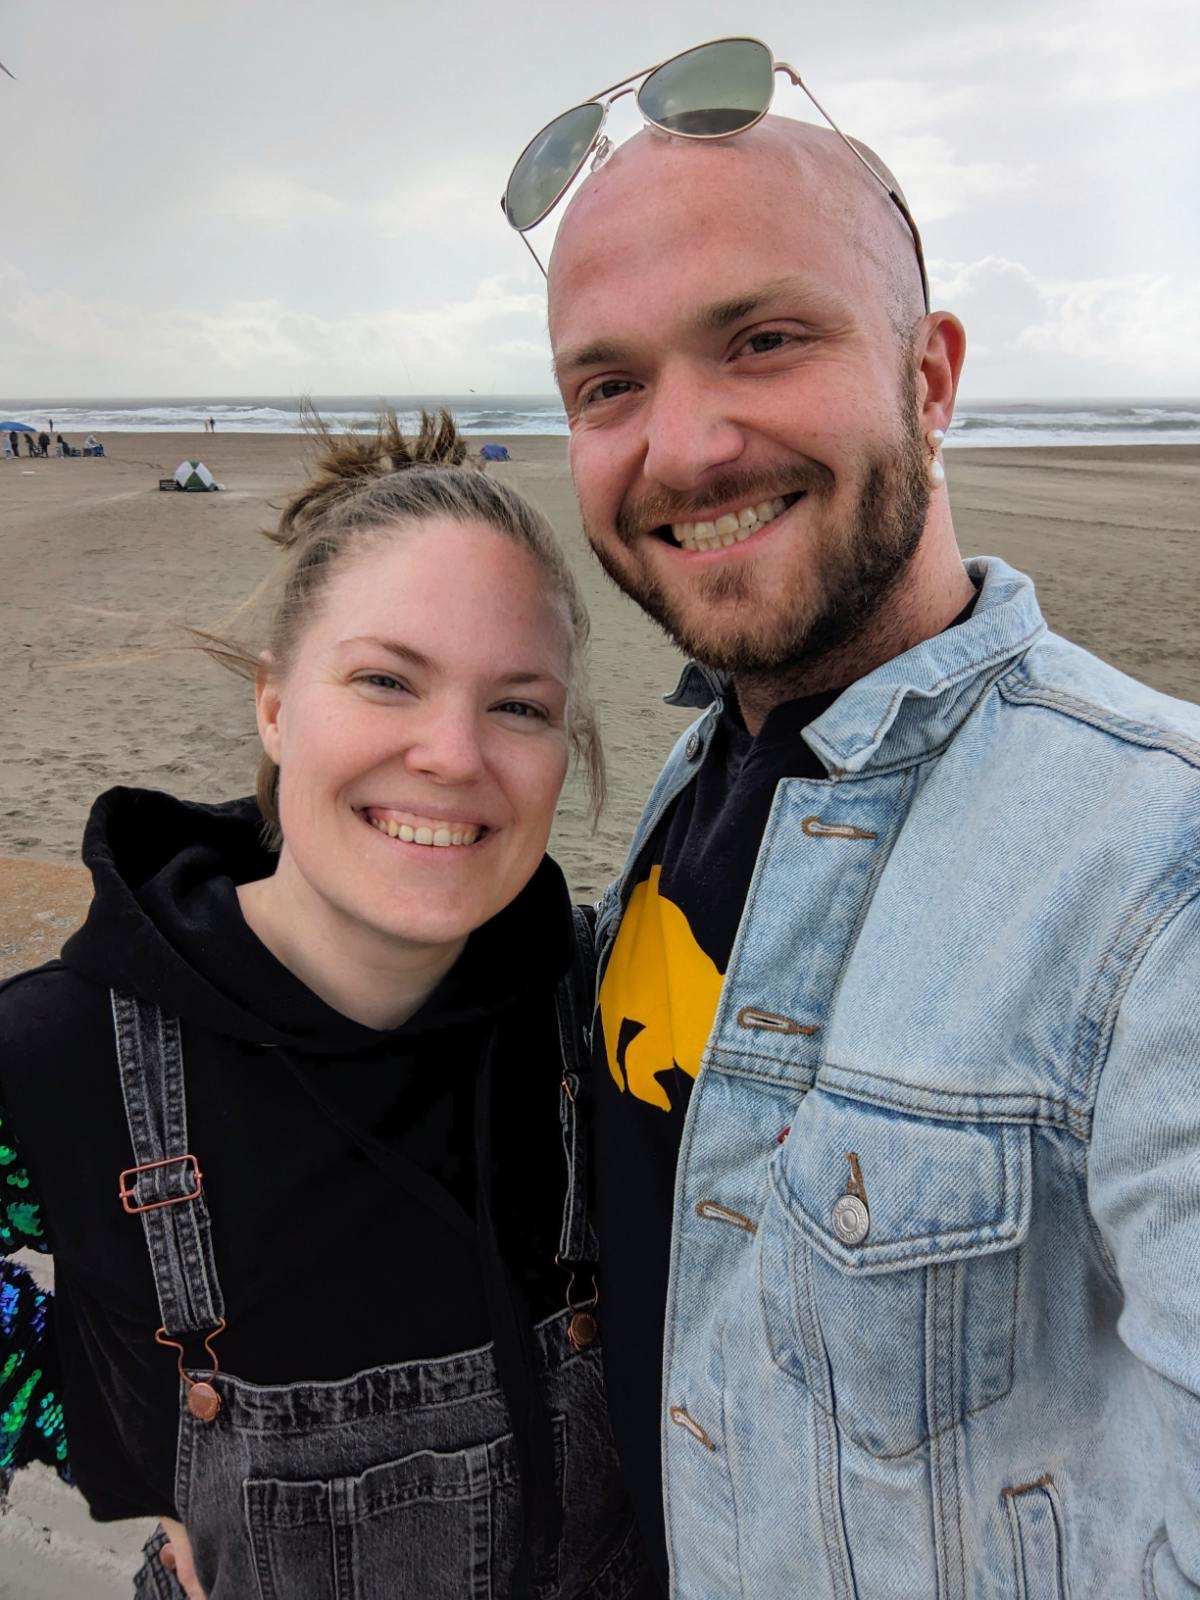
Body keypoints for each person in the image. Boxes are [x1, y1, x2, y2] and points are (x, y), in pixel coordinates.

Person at [513, 51, 1200, 1599]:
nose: (685, 446)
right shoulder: (705, 777)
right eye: (609, 386)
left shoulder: (1158, 866)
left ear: (931, 378)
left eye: (762, 340)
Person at [0, 412, 655, 1599]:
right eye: (386, 680)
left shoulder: (613, 1016)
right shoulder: (59, 1054)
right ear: (273, 704)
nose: (452, 754)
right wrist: (105, 1442)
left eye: (518, 705)